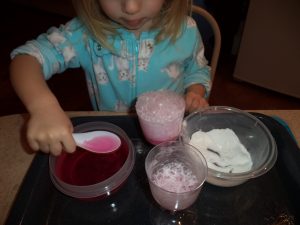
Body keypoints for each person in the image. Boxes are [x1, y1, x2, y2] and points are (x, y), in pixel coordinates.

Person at [10, 0, 211, 156]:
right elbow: (27, 58)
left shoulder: (187, 30)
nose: (131, 7)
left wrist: (195, 91)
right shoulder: (85, 33)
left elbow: (197, 70)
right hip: (114, 133)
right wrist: (43, 107)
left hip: (171, 136)